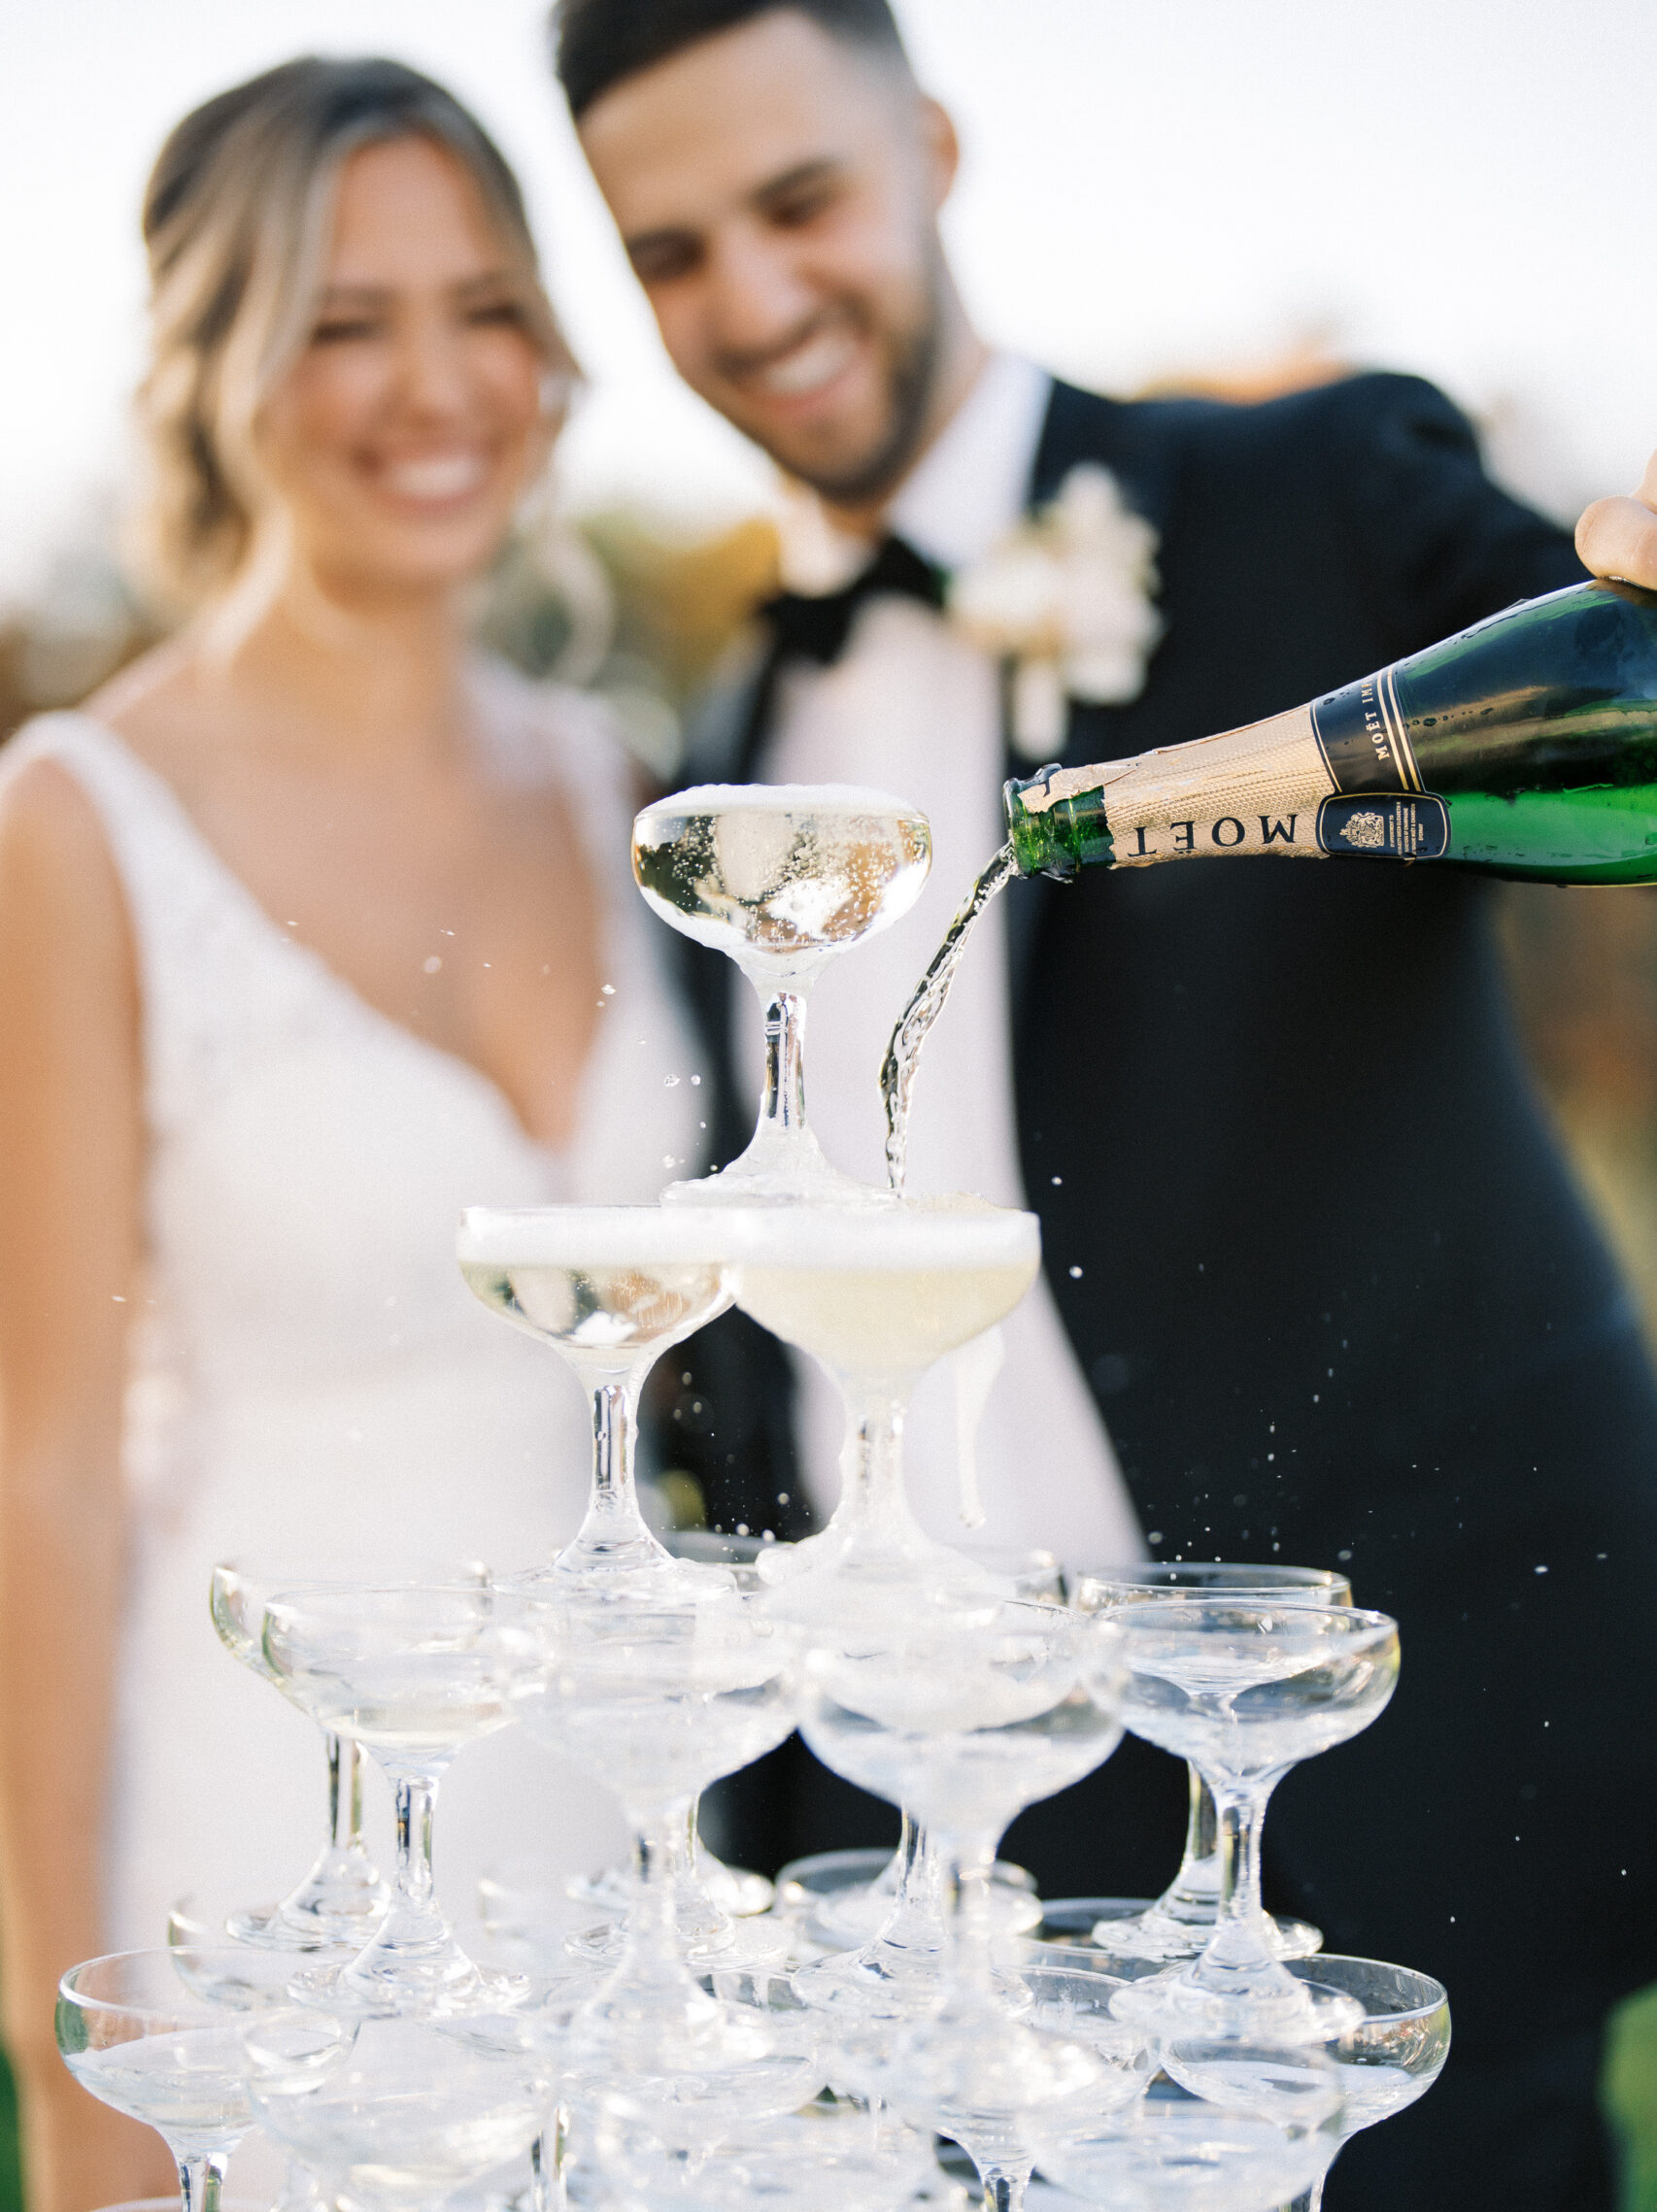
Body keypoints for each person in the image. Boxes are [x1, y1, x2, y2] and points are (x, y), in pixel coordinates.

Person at [552, 4, 1657, 2204]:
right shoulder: (730, 724)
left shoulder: (1310, 490)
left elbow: (1606, 686)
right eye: (671, 253)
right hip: (944, 1823)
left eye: (801, 202)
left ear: (936, 146)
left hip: (1394, 1759)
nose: (752, 303)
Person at [0, 56, 699, 2212]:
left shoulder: (616, 778)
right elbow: (34, 1468)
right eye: (341, 315)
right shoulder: (75, 821)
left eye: (484, 302)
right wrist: (73, 2059)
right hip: (263, 1860)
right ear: (217, 366)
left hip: (623, 1873)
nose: (435, 383)